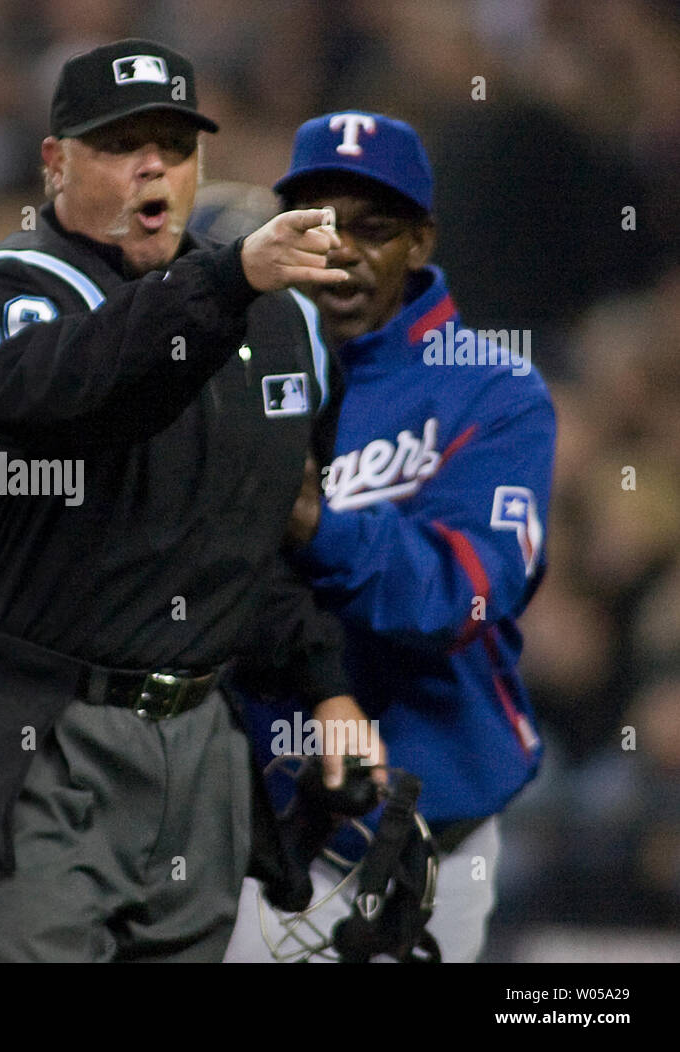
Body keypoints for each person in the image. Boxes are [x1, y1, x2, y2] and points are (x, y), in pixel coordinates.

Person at [0, 39, 383, 963]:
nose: (152, 166)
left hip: (195, 747)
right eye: (119, 144)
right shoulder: (9, 290)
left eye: (173, 145)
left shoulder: (282, 320)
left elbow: (248, 545)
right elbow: (83, 394)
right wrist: (224, 279)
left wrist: (326, 684)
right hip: (29, 731)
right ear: (55, 164)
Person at [223, 112, 556, 962]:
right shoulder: (241, 374)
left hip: (427, 822)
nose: (344, 251)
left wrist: (315, 522)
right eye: (323, 225)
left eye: (375, 229)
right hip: (256, 819)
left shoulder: (495, 392)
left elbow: (460, 592)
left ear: (420, 239)